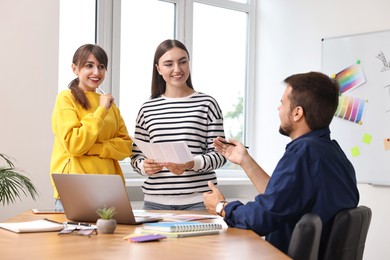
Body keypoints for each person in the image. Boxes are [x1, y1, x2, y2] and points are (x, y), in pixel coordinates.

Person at [203, 71, 359, 257]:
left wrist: (222, 207)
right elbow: (281, 199)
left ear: (297, 113)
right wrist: (244, 160)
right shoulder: (333, 153)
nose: (278, 108)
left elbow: (262, 218)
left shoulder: (303, 153)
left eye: (282, 103)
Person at [130, 39, 227, 210]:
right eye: (169, 64)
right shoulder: (147, 109)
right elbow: (136, 157)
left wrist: (191, 163)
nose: (177, 69)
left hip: (200, 201)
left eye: (182, 62)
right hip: (155, 203)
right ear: (158, 69)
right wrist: (144, 167)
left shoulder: (207, 104)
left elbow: (221, 155)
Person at [50, 44, 132, 211]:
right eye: (89, 65)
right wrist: (101, 111)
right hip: (75, 189)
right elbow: (74, 144)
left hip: (110, 192)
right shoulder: (66, 98)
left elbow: (126, 147)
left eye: (101, 67)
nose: (96, 72)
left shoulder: (111, 105)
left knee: (112, 238)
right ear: (75, 68)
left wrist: (94, 148)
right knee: (74, 238)